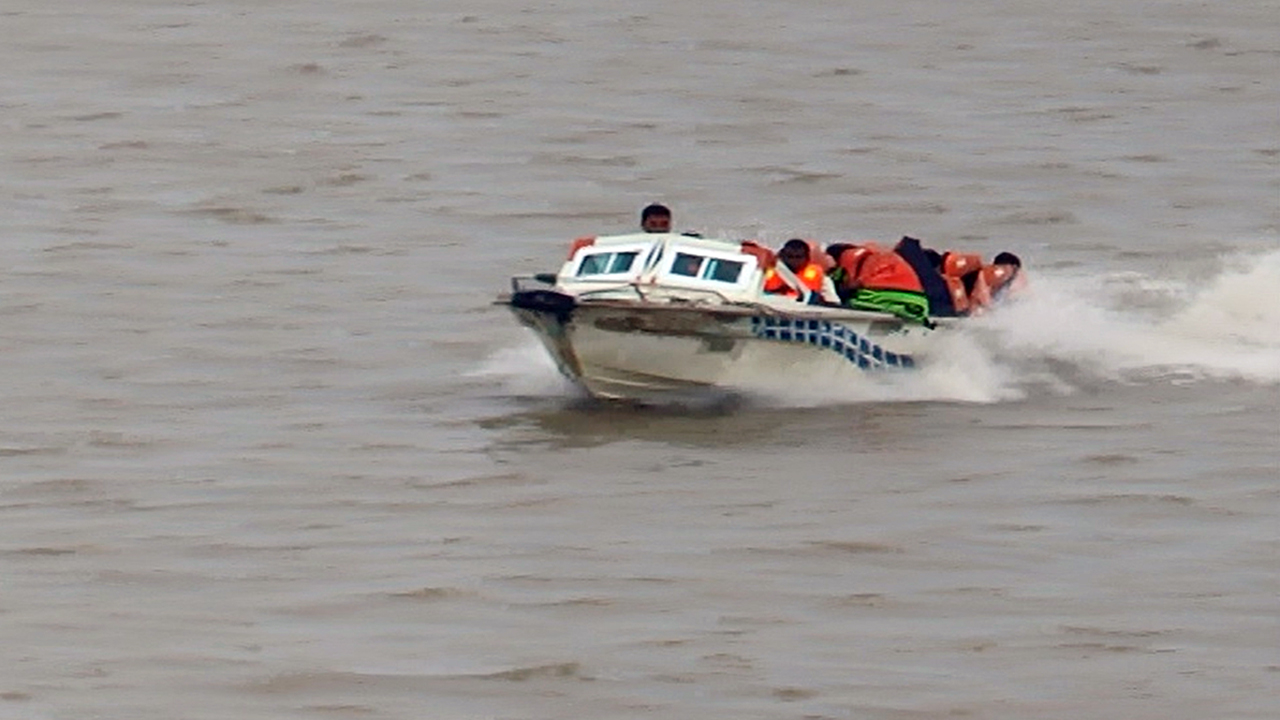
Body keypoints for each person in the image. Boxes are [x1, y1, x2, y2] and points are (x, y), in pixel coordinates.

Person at [763, 239, 840, 304]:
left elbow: (833, 300)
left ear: (807, 258)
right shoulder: (769, 271)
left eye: (798, 257)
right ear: (782, 256)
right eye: (790, 257)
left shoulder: (821, 277)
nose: (794, 261)